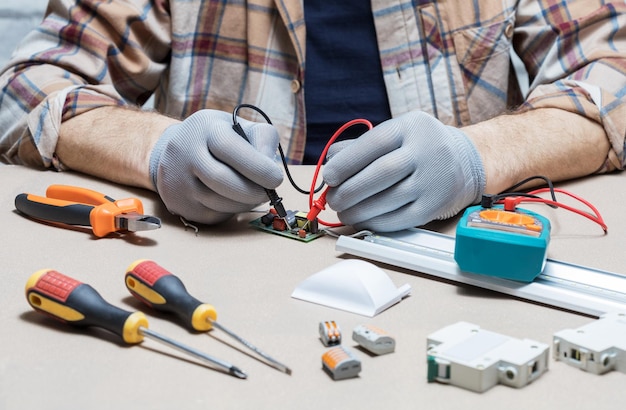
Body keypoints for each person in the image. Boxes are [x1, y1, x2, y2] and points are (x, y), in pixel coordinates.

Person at [0, 1, 624, 232]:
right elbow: (24, 87)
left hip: (454, 268)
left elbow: (615, 71)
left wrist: (476, 158)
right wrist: (157, 150)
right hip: (231, 274)